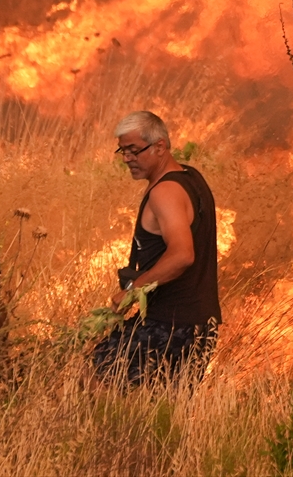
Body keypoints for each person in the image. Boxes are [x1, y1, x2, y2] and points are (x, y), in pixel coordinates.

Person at [93, 111, 222, 386]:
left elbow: (182, 255)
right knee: (165, 406)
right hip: (201, 325)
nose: (127, 158)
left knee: (92, 377)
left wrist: (132, 290)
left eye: (134, 150)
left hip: (169, 324)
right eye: (123, 150)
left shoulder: (165, 192)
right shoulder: (191, 178)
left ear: (160, 146)